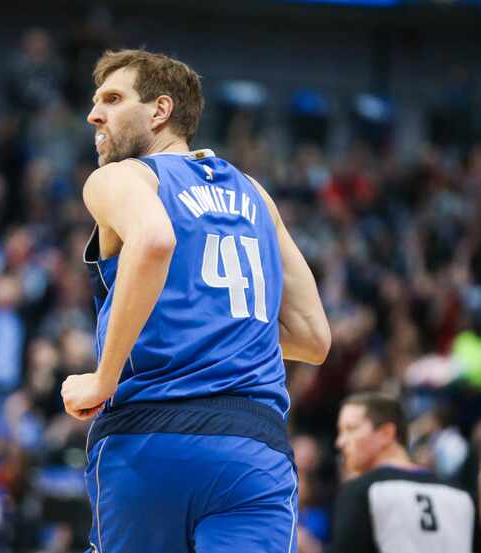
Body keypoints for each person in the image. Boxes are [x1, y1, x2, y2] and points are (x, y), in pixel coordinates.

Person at [60, 49, 331, 553]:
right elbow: (314, 339)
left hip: (150, 439)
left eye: (113, 99)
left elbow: (155, 240)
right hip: (253, 448)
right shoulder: (255, 194)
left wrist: (103, 377)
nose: (94, 114)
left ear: (160, 111)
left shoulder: (124, 176)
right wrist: (213, 318)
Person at [330, 392, 476, 553]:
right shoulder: (463, 496)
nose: (340, 442)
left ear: (387, 433)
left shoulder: (361, 491)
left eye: (350, 429)